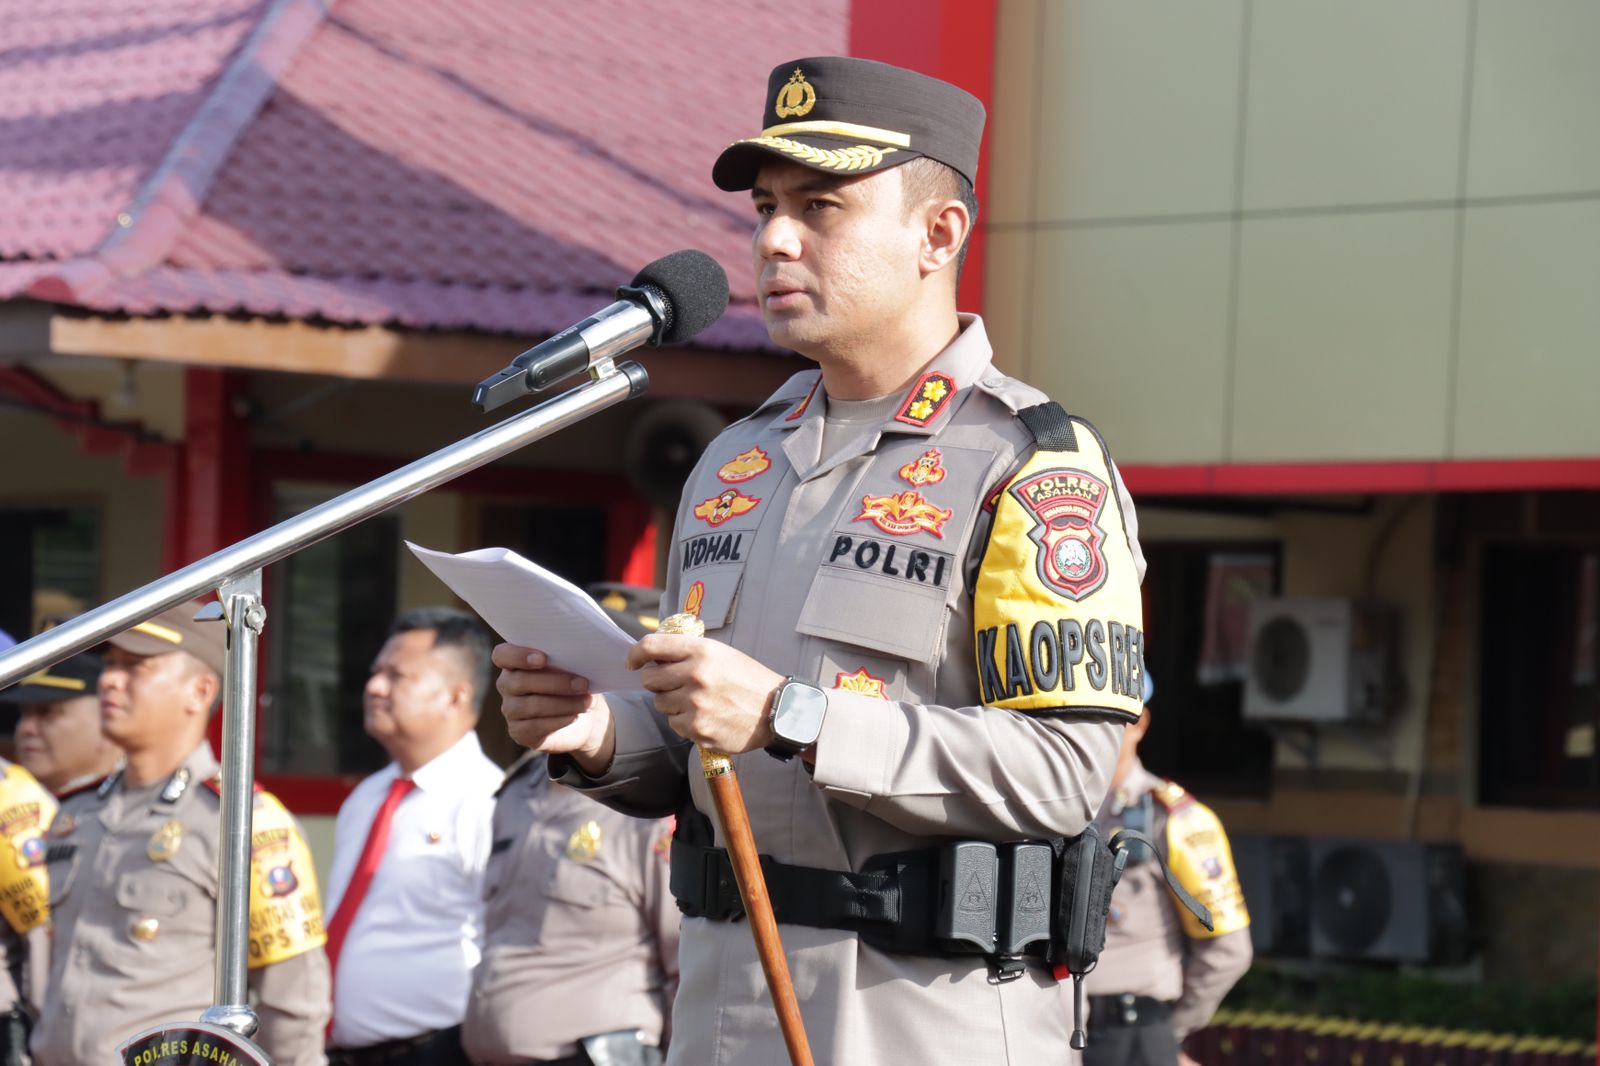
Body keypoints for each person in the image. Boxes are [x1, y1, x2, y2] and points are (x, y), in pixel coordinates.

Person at [494, 56, 1149, 1064]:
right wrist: (598, 735)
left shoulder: (1028, 464)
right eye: (765, 208)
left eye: (820, 206)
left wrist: (793, 716)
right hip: (722, 1007)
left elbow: (1065, 771)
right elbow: (705, 744)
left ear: (939, 235)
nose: (773, 239)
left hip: (924, 1018)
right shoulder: (733, 462)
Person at [29, 603, 330, 1066]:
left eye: (135, 667)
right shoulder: (76, 813)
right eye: (110, 666)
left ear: (199, 691)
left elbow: (294, 1004)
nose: (110, 681)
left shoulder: (242, 822)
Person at [325, 608, 499, 1066]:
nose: (375, 687)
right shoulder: (367, 795)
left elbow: (504, 947)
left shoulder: (487, 800)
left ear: (456, 696)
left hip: (436, 1052)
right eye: (376, 672)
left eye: (397, 676)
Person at [1081, 693, 1253, 1066]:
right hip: (1056, 1030)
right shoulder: (1050, 809)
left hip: (1131, 1035)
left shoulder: (1175, 819)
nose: (1090, 728)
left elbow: (1228, 951)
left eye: (1109, 716)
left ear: (1139, 723)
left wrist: (1168, 1032)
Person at [0, 649, 120, 1045]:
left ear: (105, 715)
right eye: (25, 715)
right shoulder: (19, 803)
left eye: (48, 713)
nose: (27, 729)